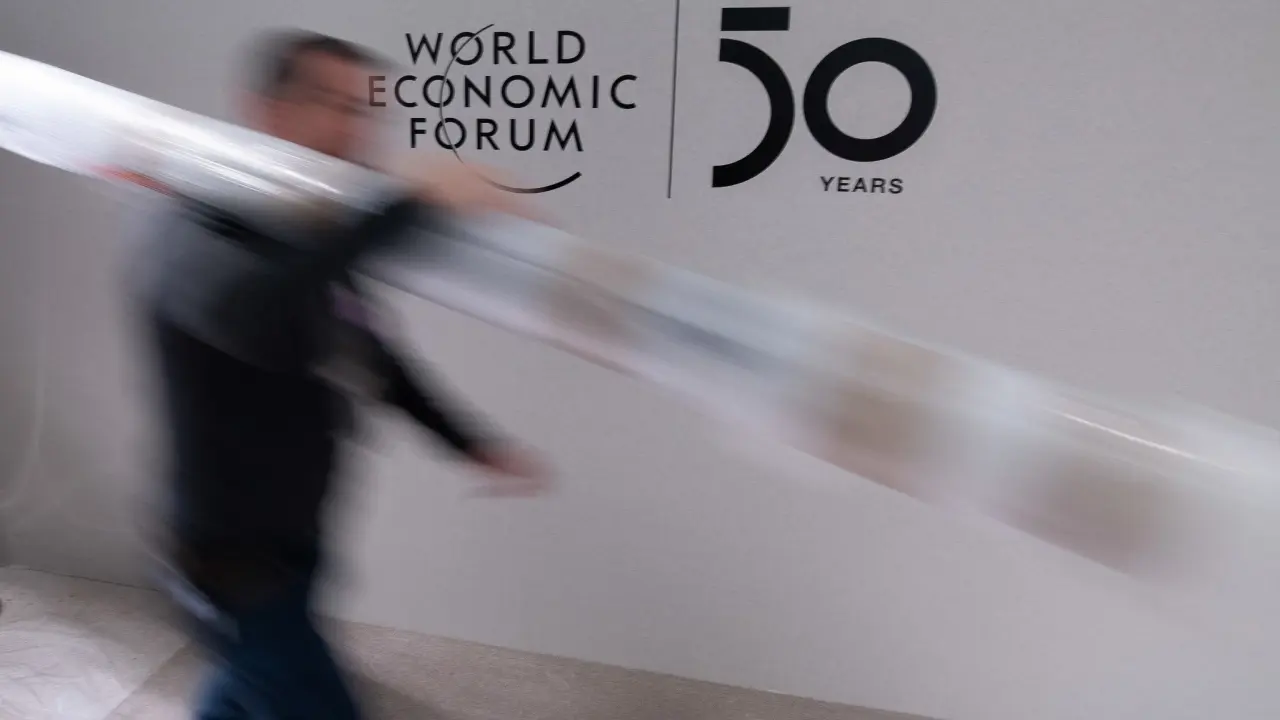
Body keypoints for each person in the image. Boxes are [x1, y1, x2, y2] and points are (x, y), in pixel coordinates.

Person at [130, 29, 550, 719]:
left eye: (364, 109)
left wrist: (468, 441)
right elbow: (251, 313)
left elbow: (368, 352)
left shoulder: (310, 232)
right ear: (264, 109)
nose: (353, 129)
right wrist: (408, 208)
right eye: (331, 103)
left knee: (243, 693)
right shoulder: (195, 223)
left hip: (295, 544)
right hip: (229, 567)